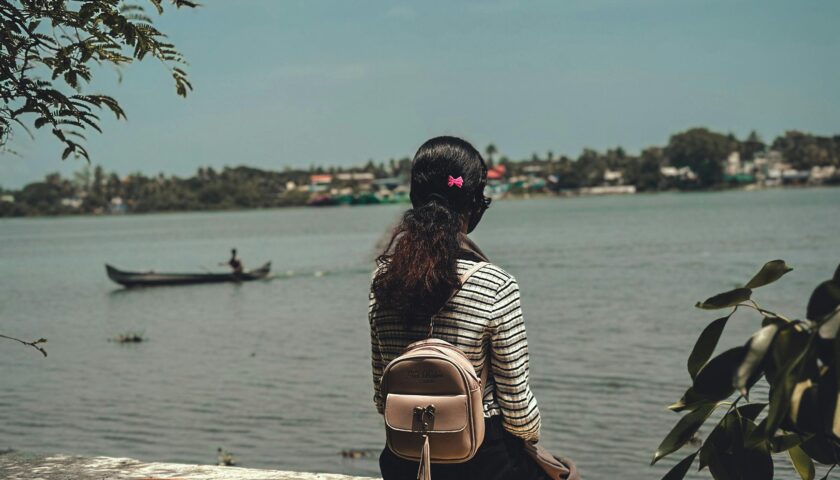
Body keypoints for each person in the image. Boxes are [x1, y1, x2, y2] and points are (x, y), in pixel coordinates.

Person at [368, 136, 551, 480]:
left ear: (413, 199)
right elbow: (517, 411)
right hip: (485, 462)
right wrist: (533, 445)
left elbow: (383, 397)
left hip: (406, 459)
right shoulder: (496, 285)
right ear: (474, 205)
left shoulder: (382, 281)